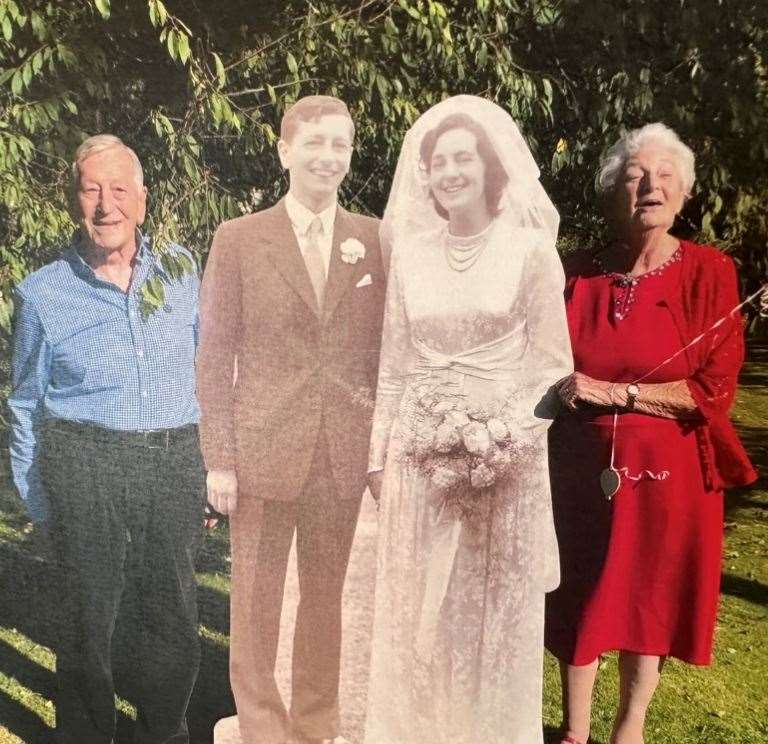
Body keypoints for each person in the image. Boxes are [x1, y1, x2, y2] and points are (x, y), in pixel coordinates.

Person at [364, 95, 573, 744]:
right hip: (417, 460)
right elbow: (393, 363)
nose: (450, 171)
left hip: (499, 463)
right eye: (438, 162)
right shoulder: (412, 257)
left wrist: (499, 442)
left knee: (487, 622)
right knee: (417, 622)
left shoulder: (529, 250)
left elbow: (551, 369)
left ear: (492, 167)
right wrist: (380, 454)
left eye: (464, 158)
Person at [545, 123, 757, 744]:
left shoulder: (709, 273)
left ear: (684, 193)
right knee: (579, 590)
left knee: (650, 597)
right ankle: (575, 731)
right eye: (635, 175)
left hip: (672, 478)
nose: (650, 186)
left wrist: (616, 393)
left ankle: (628, 730)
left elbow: (711, 390)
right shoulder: (574, 273)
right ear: (613, 191)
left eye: (665, 175)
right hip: (580, 471)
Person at [197, 95, 386, 744]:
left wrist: (378, 449)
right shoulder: (240, 238)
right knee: (255, 605)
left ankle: (313, 726)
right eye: (314, 144)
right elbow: (214, 355)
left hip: (340, 453)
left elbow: (386, 357)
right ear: (284, 152)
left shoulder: (373, 240)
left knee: (324, 601)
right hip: (261, 452)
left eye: (340, 145)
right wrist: (219, 458)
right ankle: (262, 727)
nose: (328, 158)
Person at [8, 134, 206, 744]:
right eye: (91, 189)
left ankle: (164, 730)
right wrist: (38, 502)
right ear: (73, 201)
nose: (105, 205)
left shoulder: (181, 272)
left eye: (118, 189)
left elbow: (209, 369)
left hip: (173, 459)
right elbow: (23, 403)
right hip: (85, 462)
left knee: (172, 613)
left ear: (142, 201)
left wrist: (211, 469)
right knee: (88, 617)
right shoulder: (41, 293)